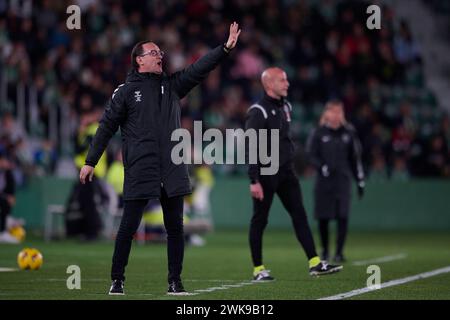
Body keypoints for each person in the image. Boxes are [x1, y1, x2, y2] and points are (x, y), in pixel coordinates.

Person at [79, 22, 241, 295]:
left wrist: (224, 49)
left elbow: (199, 68)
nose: (160, 55)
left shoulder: (172, 85)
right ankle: (117, 279)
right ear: (139, 60)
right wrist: (90, 161)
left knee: (176, 228)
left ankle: (175, 281)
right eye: (154, 52)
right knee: (128, 226)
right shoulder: (126, 91)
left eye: (160, 52)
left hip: (173, 167)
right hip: (142, 167)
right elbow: (105, 127)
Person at [245, 67, 342, 281]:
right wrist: (254, 180)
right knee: (260, 220)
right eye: (282, 80)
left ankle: (315, 263)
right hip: (266, 173)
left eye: (286, 79)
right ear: (269, 85)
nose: (287, 84)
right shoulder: (258, 111)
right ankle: (258, 269)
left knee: (300, 215)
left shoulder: (286, 106)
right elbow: (251, 147)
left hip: (286, 173)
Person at [306, 100, 365, 263]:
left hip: (343, 181)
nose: (336, 115)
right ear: (326, 113)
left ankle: (339, 252)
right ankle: (325, 250)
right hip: (324, 182)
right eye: (333, 111)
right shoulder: (318, 132)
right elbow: (310, 154)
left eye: (339, 111)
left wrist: (360, 180)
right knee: (323, 217)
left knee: (342, 216)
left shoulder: (349, 132)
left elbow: (356, 158)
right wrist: (321, 167)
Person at [0, 151, 17, 244]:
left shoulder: (7, 173)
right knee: (4, 201)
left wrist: (11, 196)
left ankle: (3, 232)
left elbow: (11, 187)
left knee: (6, 202)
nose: (7, 163)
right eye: (4, 161)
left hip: (2, 197)